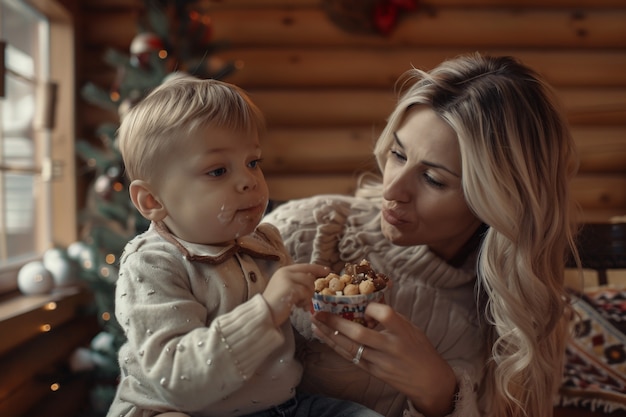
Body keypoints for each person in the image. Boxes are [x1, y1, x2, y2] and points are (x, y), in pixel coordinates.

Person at [264, 53, 579, 417]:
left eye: (433, 179)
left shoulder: (523, 319)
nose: (393, 190)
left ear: (499, 201)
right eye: (398, 154)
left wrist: (440, 393)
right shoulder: (310, 231)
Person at [106, 75, 383, 417]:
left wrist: (336, 315)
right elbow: (177, 379)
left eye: (253, 162)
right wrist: (267, 309)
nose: (248, 180)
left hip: (281, 407)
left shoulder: (265, 243)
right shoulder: (152, 264)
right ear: (151, 200)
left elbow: (294, 329)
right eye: (218, 170)